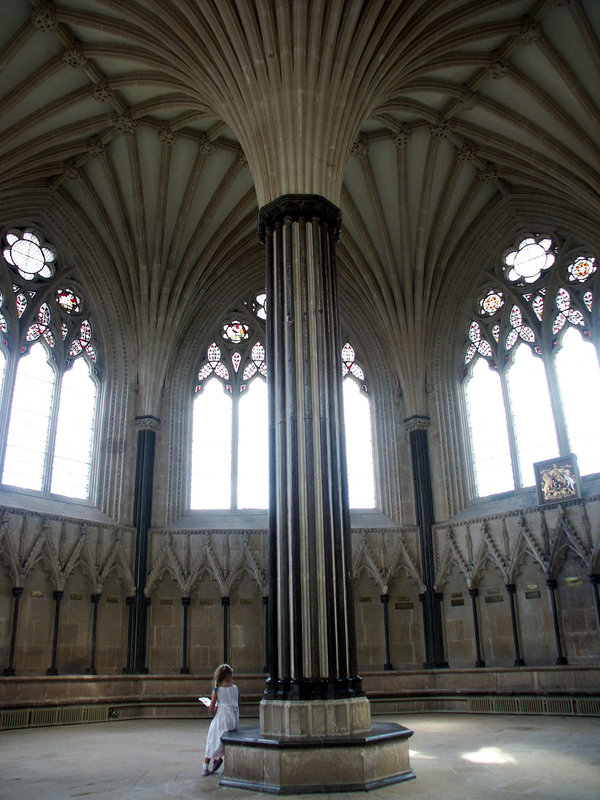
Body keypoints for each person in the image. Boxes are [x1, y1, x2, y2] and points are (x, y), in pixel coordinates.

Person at [202, 663, 239, 776]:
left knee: (212, 739)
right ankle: (223, 763)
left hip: (221, 718)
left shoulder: (217, 689)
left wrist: (212, 706)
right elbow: (239, 703)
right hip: (233, 718)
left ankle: (205, 767)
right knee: (228, 741)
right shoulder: (235, 688)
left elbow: (212, 708)